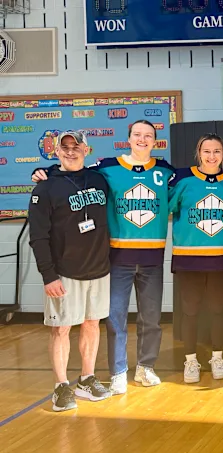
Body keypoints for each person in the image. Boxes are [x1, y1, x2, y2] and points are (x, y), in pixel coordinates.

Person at [32, 120, 175, 394]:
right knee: (103, 320)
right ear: (128, 139)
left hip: (129, 262)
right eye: (137, 135)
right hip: (102, 262)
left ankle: (134, 369)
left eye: (148, 136)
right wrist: (46, 171)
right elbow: (67, 173)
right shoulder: (106, 169)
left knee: (137, 319)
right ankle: (110, 373)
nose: (142, 140)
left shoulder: (160, 171)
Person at [28, 131, 113, 411]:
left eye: (76, 146)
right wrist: (48, 275)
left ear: (86, 149)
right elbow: (38, 236)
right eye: (64, 147)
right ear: (56, 151)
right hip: (64, 272)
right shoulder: (45, 188)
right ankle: (61, 386)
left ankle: (86, 379)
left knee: (92, 323)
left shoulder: (99, 179)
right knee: (61, 328)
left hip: (99, 268)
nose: (70, 151)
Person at [168, 134, 223, 384]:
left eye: (217, 151)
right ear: (198, 153)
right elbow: (168, 207)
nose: (212, 156)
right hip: (189, 257)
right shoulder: (182, 179)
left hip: (221, 255)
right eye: (207, 151)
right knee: (190, 310)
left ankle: (217, 357)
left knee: (218, 308)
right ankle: (191, 360)